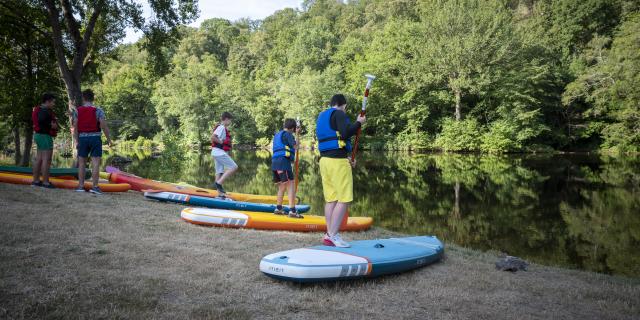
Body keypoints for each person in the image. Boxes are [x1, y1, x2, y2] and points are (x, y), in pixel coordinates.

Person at [315, 94, 365, 248]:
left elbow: (337, 139)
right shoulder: (339, 113)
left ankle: (330, 233)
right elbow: (345, 133)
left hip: (324, 161)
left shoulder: (322, 116)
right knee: (344, 199)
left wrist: (349, 157)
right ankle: (332, 235)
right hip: (337, 163)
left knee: (331, 199)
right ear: (343, 105)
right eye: (345, 107)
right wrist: (358, 122)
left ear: (331, 103)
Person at [73, 89, 112, 194]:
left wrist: (76, 141)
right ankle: (95, 187)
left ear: (83, 98)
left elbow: (75, 127)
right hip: (95, 138)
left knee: (81, 163)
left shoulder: (77, 111)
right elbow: (103, 125)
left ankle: (80, 186)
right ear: (93, 98)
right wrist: (109, 140)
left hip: (82, 138)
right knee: (95, 163)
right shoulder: (98, 110)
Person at [272, 118, 301, 218]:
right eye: (294, 130)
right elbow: (296, 147)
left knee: (282, 186)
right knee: (290, 184)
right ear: (292, 128)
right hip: (283, 162)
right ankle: (292, 211)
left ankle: (278, 208)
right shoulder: (288, 134)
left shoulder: (277, 135)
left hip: (275, 163)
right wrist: (297, 134)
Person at [31, 93, 58, 188]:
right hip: (44, 136)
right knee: (47, 160)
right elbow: (42, 121)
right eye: (53, 102)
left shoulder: (39, 109)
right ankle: (45, 182)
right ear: (47, 101)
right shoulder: (45, 111)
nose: (54, 104)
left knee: (39, 159)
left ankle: (36, 181)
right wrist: (52, 126)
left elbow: (40, 121)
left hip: (38, 135)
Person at [211, 112, 238, 197]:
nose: (230, 122)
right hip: (219, 152)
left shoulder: (221, 127)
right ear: (226, 119)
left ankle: (219, 193)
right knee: (234, 167)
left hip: (216, 152)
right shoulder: (222, 127)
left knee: (219, 171)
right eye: (230, 120)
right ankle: (219, 183)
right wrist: (222, 142)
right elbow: (213, 137)